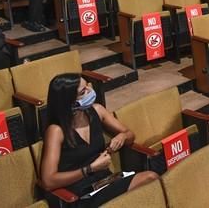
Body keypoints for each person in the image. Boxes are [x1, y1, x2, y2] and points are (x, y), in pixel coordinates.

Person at [40, 74, 159, 206]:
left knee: (151, 180)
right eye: (83, 91)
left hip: (106, 181)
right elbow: (48, 181)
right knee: (149, 178)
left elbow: (130, 135)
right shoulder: (56, 131)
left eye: (87, 86)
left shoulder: (97, 110)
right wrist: (90, 169)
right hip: (81, 193)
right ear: (69, 101)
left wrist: (122, 136)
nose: (90, 92)